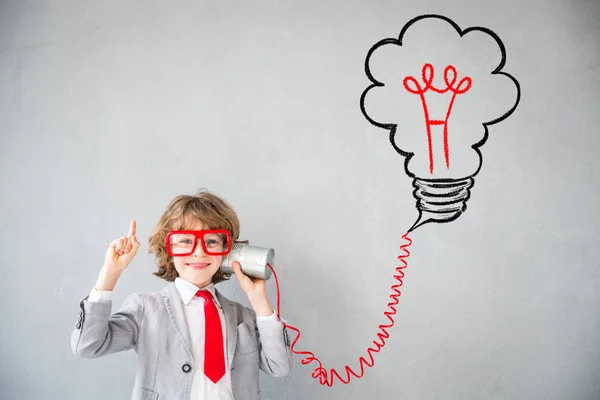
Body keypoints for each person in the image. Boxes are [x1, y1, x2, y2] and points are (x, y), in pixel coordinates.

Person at [71, 190, 292, 400]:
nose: (199, 251)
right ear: (169, 248)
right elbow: (88, 345)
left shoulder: (243, 316)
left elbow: (279, 366)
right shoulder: (145, 309)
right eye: (186, 240)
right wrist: (110, 272)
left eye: (211, 241)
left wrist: (261, 303)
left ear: (227, 251)